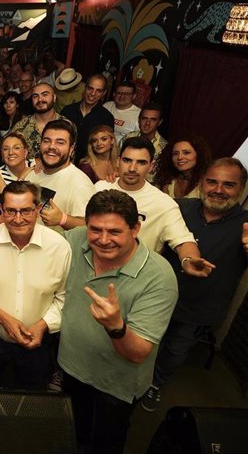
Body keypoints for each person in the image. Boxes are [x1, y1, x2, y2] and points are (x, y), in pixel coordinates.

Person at [140, 158, 248, 412]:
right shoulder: (179, 207)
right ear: (202, 183)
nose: (218, 189)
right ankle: (135, 381)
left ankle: (155, 384)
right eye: (212, 181)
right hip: (157, 297)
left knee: (175, 351)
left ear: (240, 189)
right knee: (145, 344)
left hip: (199, 308)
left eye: (229, 185)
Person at [57, 189, 178, 453]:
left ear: (135, 228)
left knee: (105, 443)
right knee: (73, 432)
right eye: (95, 229)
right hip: (72, 367)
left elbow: (138, 353)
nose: (102, 240)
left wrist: (116, 327)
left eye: (114, 232)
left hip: (115, 386)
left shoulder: (159, 277)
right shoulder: (76, 240)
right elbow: (39, 241)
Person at [0, 181, 71, 388]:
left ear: (38, 209)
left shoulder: (59, 247)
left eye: (26, 211)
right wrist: (5, 320)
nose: (18, 219)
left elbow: (64, 297)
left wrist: (42, 326)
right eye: (11, 211)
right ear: (1, 209)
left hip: (37, 341)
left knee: (33, 389)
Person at [95, 137, 214, 276]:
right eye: (127, 160)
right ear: (118, 162)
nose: (132, 168)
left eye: (141, 162)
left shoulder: (163, 203)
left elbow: (183, 241)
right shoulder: (99, 188)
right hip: (95, 268)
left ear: (150, 166)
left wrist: (189, 260)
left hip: (132, 277)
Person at [25, 119, 96, 231]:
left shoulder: (81, 184)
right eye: (47, 141)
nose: (51, 146)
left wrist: (63, 219)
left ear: (71, 149)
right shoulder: (32, 174)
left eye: (60, 142)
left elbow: (91, 225)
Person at [60, 73, 115, 165]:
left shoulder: (106, 117)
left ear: (104, 93)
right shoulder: (67, 111)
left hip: (89, 167)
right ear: (85, 88)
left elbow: (107, 148)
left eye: (98, 91)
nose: (92, 94)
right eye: (90, 88)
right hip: (63, 162)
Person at [11, 82, 69, 160]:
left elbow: (70, 158)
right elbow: (13, 158)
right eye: (35, 96)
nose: (40, 99)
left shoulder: (67, 125)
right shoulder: (20, 127)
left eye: (45, 94)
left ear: (54, 98)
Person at [0, 133, 33, 199]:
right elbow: (6, 202)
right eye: (5, 149)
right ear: (2, 154)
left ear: (25, 152)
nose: (10, 153)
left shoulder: (35, 164)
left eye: (16, 148)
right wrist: (22, 178)